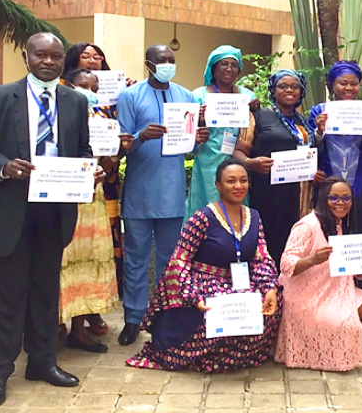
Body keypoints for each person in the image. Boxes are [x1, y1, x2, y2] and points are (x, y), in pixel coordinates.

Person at [0, 33, 104, 405]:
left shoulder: (75, 101)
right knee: (9, 293)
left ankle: (42, 362)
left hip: (55, 206)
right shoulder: (3, 96)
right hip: (12, 207)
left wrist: (90, 171)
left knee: (46, 290)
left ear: (64, 61)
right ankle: (1, 369)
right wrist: (4, 166)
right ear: (26, 57)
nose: (48, 61)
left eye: (55, 56)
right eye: (40, 55)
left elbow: (82, 150)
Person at [126, 159, 280, 372]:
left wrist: (270, 288)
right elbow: (179, 261)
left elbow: (261, 257)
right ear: (218, 185)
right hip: (205, 282)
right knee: (215, 317)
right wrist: (193, 296)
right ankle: (203, 355)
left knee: (268, 305)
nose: (238, 186)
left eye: (243, 180)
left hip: (240, 281)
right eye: (231, 181)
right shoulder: (202, 218)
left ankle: (239, 355)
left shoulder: (253, 216)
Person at [117, 44, 210, 346]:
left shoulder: (187, 96)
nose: (168, 65)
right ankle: (133, 318)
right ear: (148, 64)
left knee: (171, 261)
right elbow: (123, 145)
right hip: (139, 192)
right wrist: (142, 137)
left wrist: (198, 139)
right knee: (136, 260)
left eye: (171, 60)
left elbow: (190, 148)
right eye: (162, 61)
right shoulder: (130, 96)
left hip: (171, 192)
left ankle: (164, 317)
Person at [59, 69, 131, 353]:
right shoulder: (59, 116)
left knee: (88, 262)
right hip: (62, 196)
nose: (88, 92)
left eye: (94, 87)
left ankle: (79, 330)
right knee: (62, 262)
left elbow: (112, 163)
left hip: (92, 200)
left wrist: (117, 152)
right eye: (83, 86)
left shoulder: (105, 120)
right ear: (69, 86)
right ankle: (53, 327)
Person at [275, 177, 362, 371]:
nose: (341, 203)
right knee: (348, 327)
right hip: (305, 293)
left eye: (346, 198)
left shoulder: (341, 224)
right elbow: (286, 264)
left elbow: (347, 267)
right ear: (324, 198)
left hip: (334, 289)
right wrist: (312, 260)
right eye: (335, 198)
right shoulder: (307, 226)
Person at [307, 60, 362, 293]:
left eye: (354, 84)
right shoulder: (319, 111)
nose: (349, 88)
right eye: (343, 83)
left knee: (360, 239)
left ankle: (361, 298)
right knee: (328, 239)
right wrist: (319, 132)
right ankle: (329, 295)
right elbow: (312, 149)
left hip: (360, 186)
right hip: (328, 187)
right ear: (333, 85)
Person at [234, 69, 317, 265]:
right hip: (269, 192)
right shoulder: (258, 116)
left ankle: (290, 290)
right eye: (283, 86)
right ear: (273, 90)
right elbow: (237, 151)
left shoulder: (302, 122)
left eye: (295, 87)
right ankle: (268, 289)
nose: (289, 90)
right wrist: (250, 163)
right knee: (270, 240)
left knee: (295, 242)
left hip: (299, 194)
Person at [186, 45, 261, 219]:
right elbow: (186, 136)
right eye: (224, 64)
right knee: (206, 212)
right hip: (207, 165)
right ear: (213, 68)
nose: (229, 68)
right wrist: (200, 121)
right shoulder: (198, 96)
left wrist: (255, 111)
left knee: (237, 211)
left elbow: (254, 131)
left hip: (237, 163)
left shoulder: (247, 96)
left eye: (234, 65)